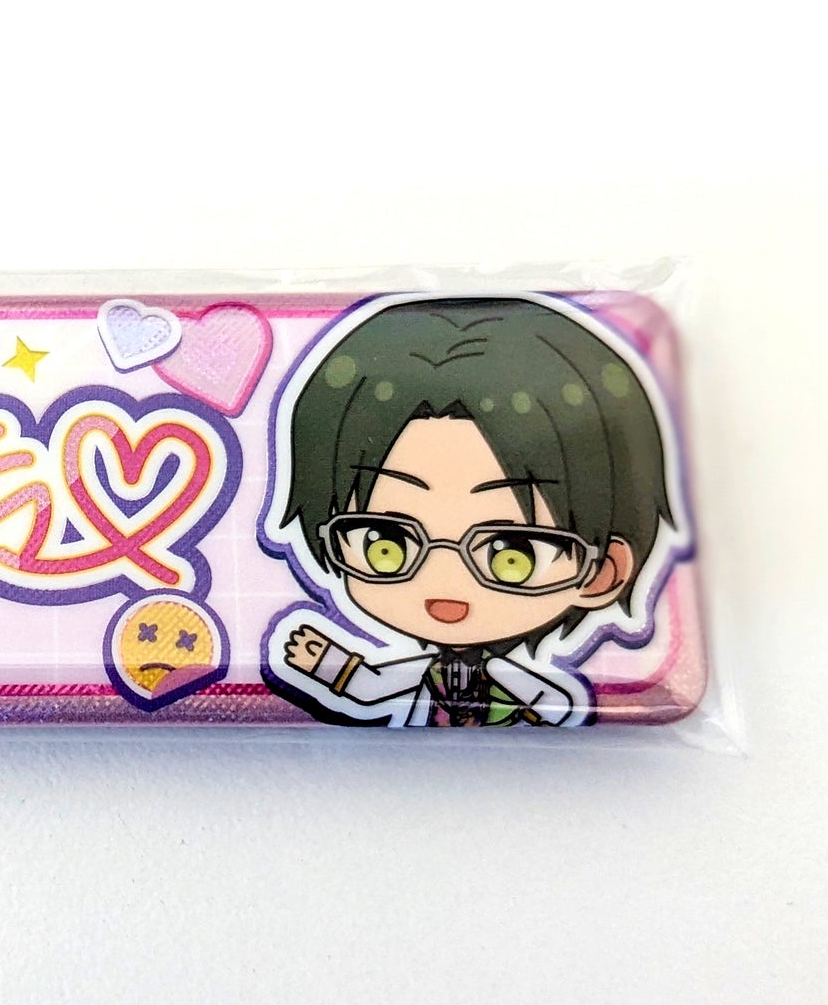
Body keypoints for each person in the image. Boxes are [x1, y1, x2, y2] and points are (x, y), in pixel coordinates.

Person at [267, 295, 676, 726]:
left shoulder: (525, 680)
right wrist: (331, 665)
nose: (444, 578)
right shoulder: (423, 671)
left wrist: (535, 707)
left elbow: (553, 701)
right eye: (386, 545)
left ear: (603, 572)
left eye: (512, 554)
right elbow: (372, 687)